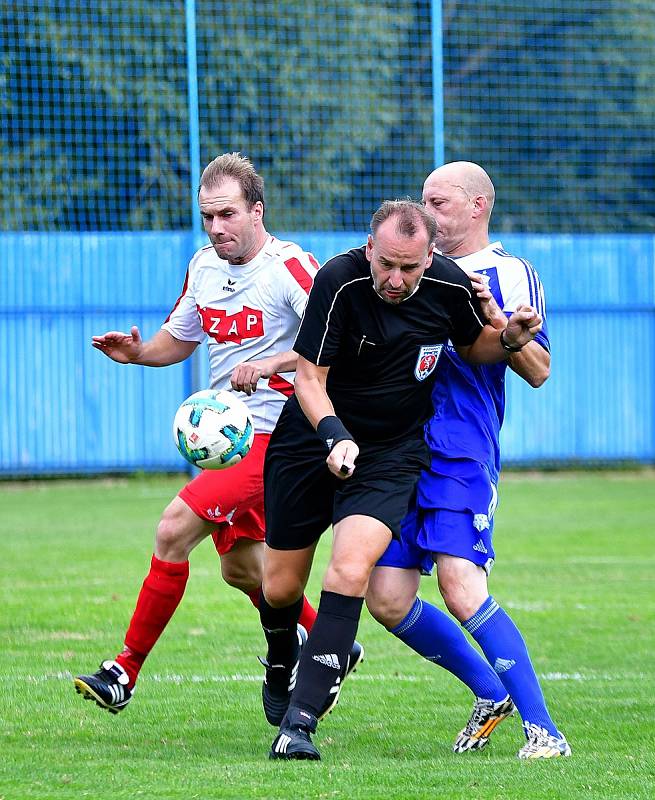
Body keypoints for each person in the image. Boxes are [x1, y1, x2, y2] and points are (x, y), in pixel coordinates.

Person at [259, 199, 543, 761]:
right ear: (369, 248)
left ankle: (299, 726)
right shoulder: (337, 282)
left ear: (429, 256)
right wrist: (334, 436)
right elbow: (309, 380)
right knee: (280, 588)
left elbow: (474, 347)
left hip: (390, 453)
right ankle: (278, 662)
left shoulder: (451, 285)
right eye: (386, 263)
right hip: (311, 437)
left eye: (410, 268)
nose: (395, 278)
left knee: (350, 567)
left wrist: (508, 338)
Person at [73, 152, 322, 714]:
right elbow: (179, 338)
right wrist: (138, 353)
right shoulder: (204, 266)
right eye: (207, 216)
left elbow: (333, 340)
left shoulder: (290, 267)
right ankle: (327, 640)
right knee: (240, 569)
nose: (216, 228)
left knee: (171, 531)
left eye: (227, 214)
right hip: (226, 444)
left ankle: (123, 671)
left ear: (257, 211)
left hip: (277, 439)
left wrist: (271, 364)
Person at [366, 161, 570, 759]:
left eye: (439, 201)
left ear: (478, 205)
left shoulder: (506, 272)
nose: (425, 212)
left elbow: (539, 370)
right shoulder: (410, 269)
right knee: (387, 597)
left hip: (459, 448)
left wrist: (500, 323)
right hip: (397, 450)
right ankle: (489, 692)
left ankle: (546, 731)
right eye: (422, 200)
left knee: (460, 585)